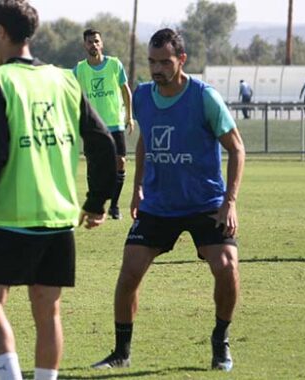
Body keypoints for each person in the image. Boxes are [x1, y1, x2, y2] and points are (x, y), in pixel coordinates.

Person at [0, 1, 116, 379]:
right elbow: (105, 143)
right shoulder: (64, 79)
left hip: (14, 218)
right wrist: (96, 202)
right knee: (48, 313)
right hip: (60, 219)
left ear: (0, 32)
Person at [92, 28, 245, 372]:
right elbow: (145, 139)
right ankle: (121, 352)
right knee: (129, 272)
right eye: (152, 62)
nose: (157, 69)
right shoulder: (144, 96)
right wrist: (138, 187)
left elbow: (236, 148)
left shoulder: (204, 97)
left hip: (206, 202)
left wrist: (230, 202)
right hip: (159, 205)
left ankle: (220, 342)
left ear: (182, 60)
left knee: (227, 267)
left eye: (164, 62)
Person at [74, 29, 134, 220]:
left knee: (120, 161)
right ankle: (94, 206)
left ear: (102, 43)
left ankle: (114, 206)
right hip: (93, 125)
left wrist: (129, 117)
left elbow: (126, 91)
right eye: (90, 42)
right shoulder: (80, 69)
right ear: (85, 45)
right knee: (93, 164)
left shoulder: (115, 65)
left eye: (96, 41)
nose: (93, 45)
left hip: (115, 123)